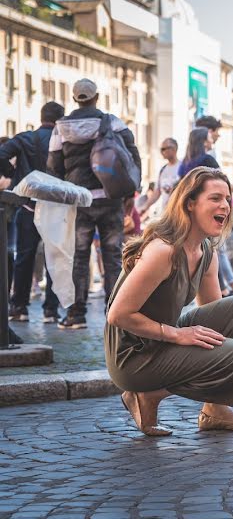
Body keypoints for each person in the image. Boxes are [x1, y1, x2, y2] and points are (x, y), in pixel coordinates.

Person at [106, 167, 233, 436]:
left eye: (228, 199)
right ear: (190, 203)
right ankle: (147, 396)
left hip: (160, 340)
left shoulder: (206, 250)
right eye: (216, 198)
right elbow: (118, 315)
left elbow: (221, 320)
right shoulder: (164, 251)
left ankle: (215, 410)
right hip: (132, 355)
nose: (225, 206)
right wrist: (175, 334)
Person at [48, 78, 141, 330]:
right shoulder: (111, 122)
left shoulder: (60, 128)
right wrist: (130, 190)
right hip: (110, 198)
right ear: (96, 97)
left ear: (74, 98)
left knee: (78, 258)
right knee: (112, 257)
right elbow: (132, 154)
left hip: (79, 201)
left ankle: (76, 315)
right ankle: (115, 314)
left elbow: (54, 167)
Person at [0, 101, 65, 324]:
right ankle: (51, 310)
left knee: (24, 258)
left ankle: (19, 307)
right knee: (54, 259)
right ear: (60, 120)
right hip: (56, 209)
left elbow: (1, 155)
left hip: (28, 206)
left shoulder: (24, 138)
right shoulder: (63, 139)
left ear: (41, 117)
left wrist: (13, 173)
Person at [140, 138, 182, 220]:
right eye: (161, 149)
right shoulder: (163, 170)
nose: (162, 152)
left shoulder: (183, 167)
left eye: (164, 149)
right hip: (167, 214)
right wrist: (145, 206)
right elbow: (157, 192)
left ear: (174, 148)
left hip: (180, 214)